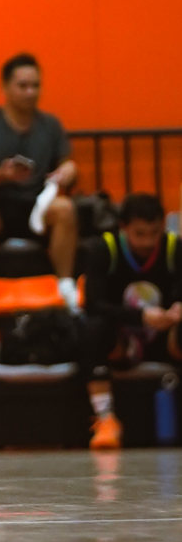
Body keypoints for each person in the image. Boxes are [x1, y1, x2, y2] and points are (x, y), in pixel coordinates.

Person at [78, 192, 181, 451]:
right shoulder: (103, 248)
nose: (148, 241)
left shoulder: (174, 247)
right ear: (123, 227)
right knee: (93, 328)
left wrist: (178, 309)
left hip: (165, 337)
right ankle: (105, 419)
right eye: (139, 234)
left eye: (154, 233)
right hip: (121, 339)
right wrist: (141, 317)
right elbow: (93, 303)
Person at [0, 54, 78, 277]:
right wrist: (1, 174)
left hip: (38, 205)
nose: (30, 92)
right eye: (23, 86)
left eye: (36, 86)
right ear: (4, 87)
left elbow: (66, 164)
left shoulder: (51, 124)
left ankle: (65, 286)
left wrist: (69, 170)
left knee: (65, 209)